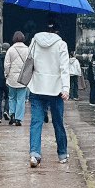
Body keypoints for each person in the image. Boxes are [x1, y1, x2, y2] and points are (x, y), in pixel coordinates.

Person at [26, 18, 71, 167]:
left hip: (37, 86)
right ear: (57, 31)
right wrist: (66, 88)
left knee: (36, 122)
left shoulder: (34, 41)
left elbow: (29, 60)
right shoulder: (61, 44)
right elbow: (64, 68)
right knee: (58, 122)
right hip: (55, 88)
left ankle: (34, 153)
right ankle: (62, 153)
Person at [4, 30, 30, 126]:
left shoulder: (10, 50)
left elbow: (7, 64)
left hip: (12, 77)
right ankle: (18, 118)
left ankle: (12, 114)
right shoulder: (27, 49)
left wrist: (6, 74)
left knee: (11, 97)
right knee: (21, 99)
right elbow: (29, 64)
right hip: (23, 78)